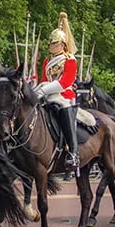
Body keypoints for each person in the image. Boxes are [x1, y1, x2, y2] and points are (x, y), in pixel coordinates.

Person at [34, 12, 79, 180]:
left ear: (62, 44)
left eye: (54, 43)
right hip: (48, 93)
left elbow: (66, 81)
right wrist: (39, 89)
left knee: (63, 109)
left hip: (64, 95)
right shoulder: (47, 61)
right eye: (50, 43)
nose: (50, 46)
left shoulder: (70, 60)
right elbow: (44, 79)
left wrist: (44, 89)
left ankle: (73, 152)